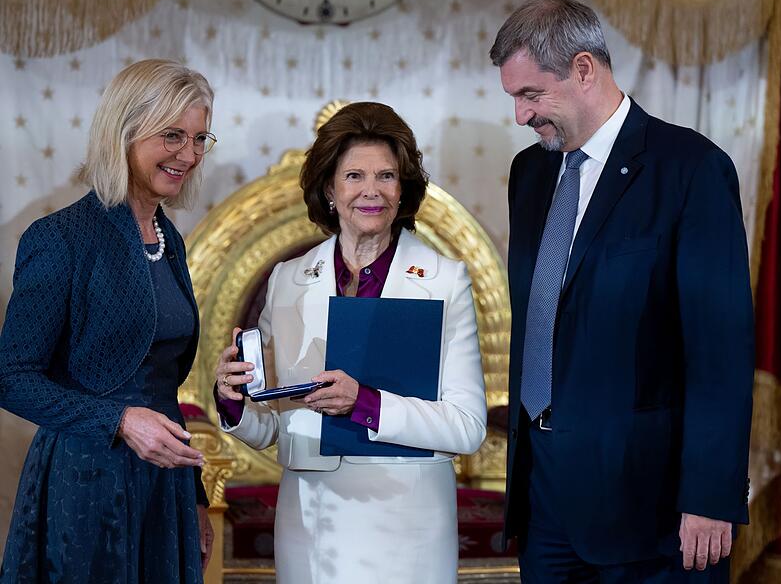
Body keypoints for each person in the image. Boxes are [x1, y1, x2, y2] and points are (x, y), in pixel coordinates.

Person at [490, 0, 754, 583]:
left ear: (584, 69)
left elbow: (720, 349)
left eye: (531, 95)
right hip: (547, 501)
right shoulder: (529, 174)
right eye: (514, 98)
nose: (521, 116)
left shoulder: (690, 169)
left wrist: (711, 493)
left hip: (650, 511)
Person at [213, 101, 487, 583]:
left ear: (403, 191)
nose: (371, 191)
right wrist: (233, 401)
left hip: (409, 519)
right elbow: (274, 426)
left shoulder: (445, 280)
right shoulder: (288, 279)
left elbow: (467, 428)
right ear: (329, 189)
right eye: (355, 176)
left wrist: (364, 403)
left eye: (386, 177)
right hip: (310, 521)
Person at [0, 59, 217, 583]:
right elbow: (11, 377)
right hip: (85, 483)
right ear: (124, 131)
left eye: (199, 138)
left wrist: (196, 498)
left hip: (164, 486)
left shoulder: (171, 241)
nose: (188, 155)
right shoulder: (59, 238)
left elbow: (161, 386)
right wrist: (119, 421)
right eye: (172, 135)